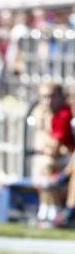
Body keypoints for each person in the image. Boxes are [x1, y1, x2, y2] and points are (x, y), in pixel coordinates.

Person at [30, 82, 74, 225]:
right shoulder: (42, 113)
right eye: (44, 97)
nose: (48, 101)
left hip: (67, 159)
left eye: (52, 96)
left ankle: (55, 212)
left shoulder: (64, 114)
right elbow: (41, 143)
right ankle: (47, 210)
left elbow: (58, 144)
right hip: (57, 158)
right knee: (43, 165)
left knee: (48, 166)